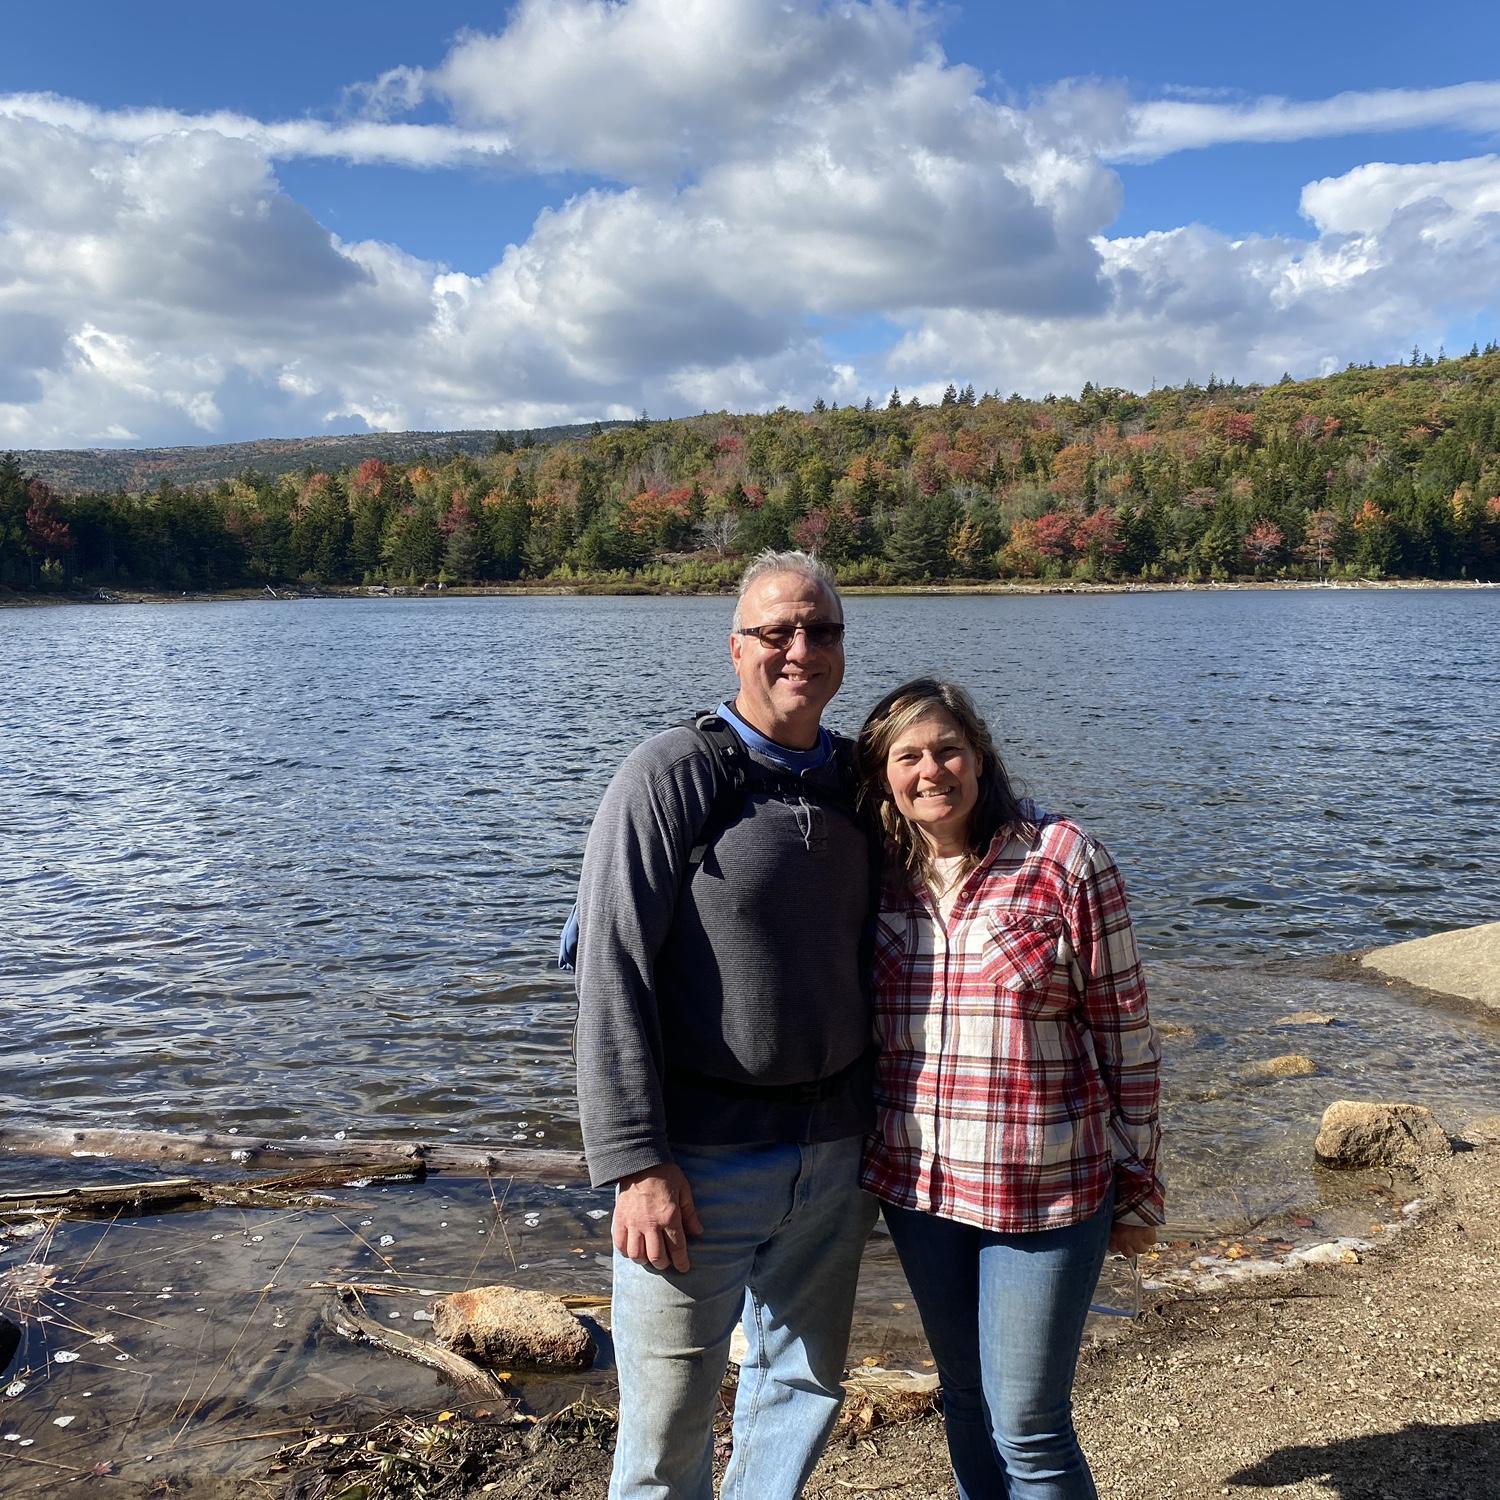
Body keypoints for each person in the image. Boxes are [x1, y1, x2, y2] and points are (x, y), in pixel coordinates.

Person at [574, 549, 878, 1500]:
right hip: (696, 1165)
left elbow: (969, 831)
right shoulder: (671, 774)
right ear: (736, 647)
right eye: (777, 632)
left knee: (800, 1389)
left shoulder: (863, 781)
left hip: (835, 1155)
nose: (800, 650)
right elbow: (608, 967)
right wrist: (634, 1163)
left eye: (820, 630)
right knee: (665, 1434)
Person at [856, 678, 1163, 1500]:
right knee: (962, 1398)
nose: (932, 771)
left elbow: (1126, 1038)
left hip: (1047, 1190)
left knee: (1027, 1422)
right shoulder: (874, 874)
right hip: (920, 1189)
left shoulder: (1062, 858)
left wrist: (1139, 1188)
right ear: (883, 773)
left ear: (981, 756)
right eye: (908, 756)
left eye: (948, 750)